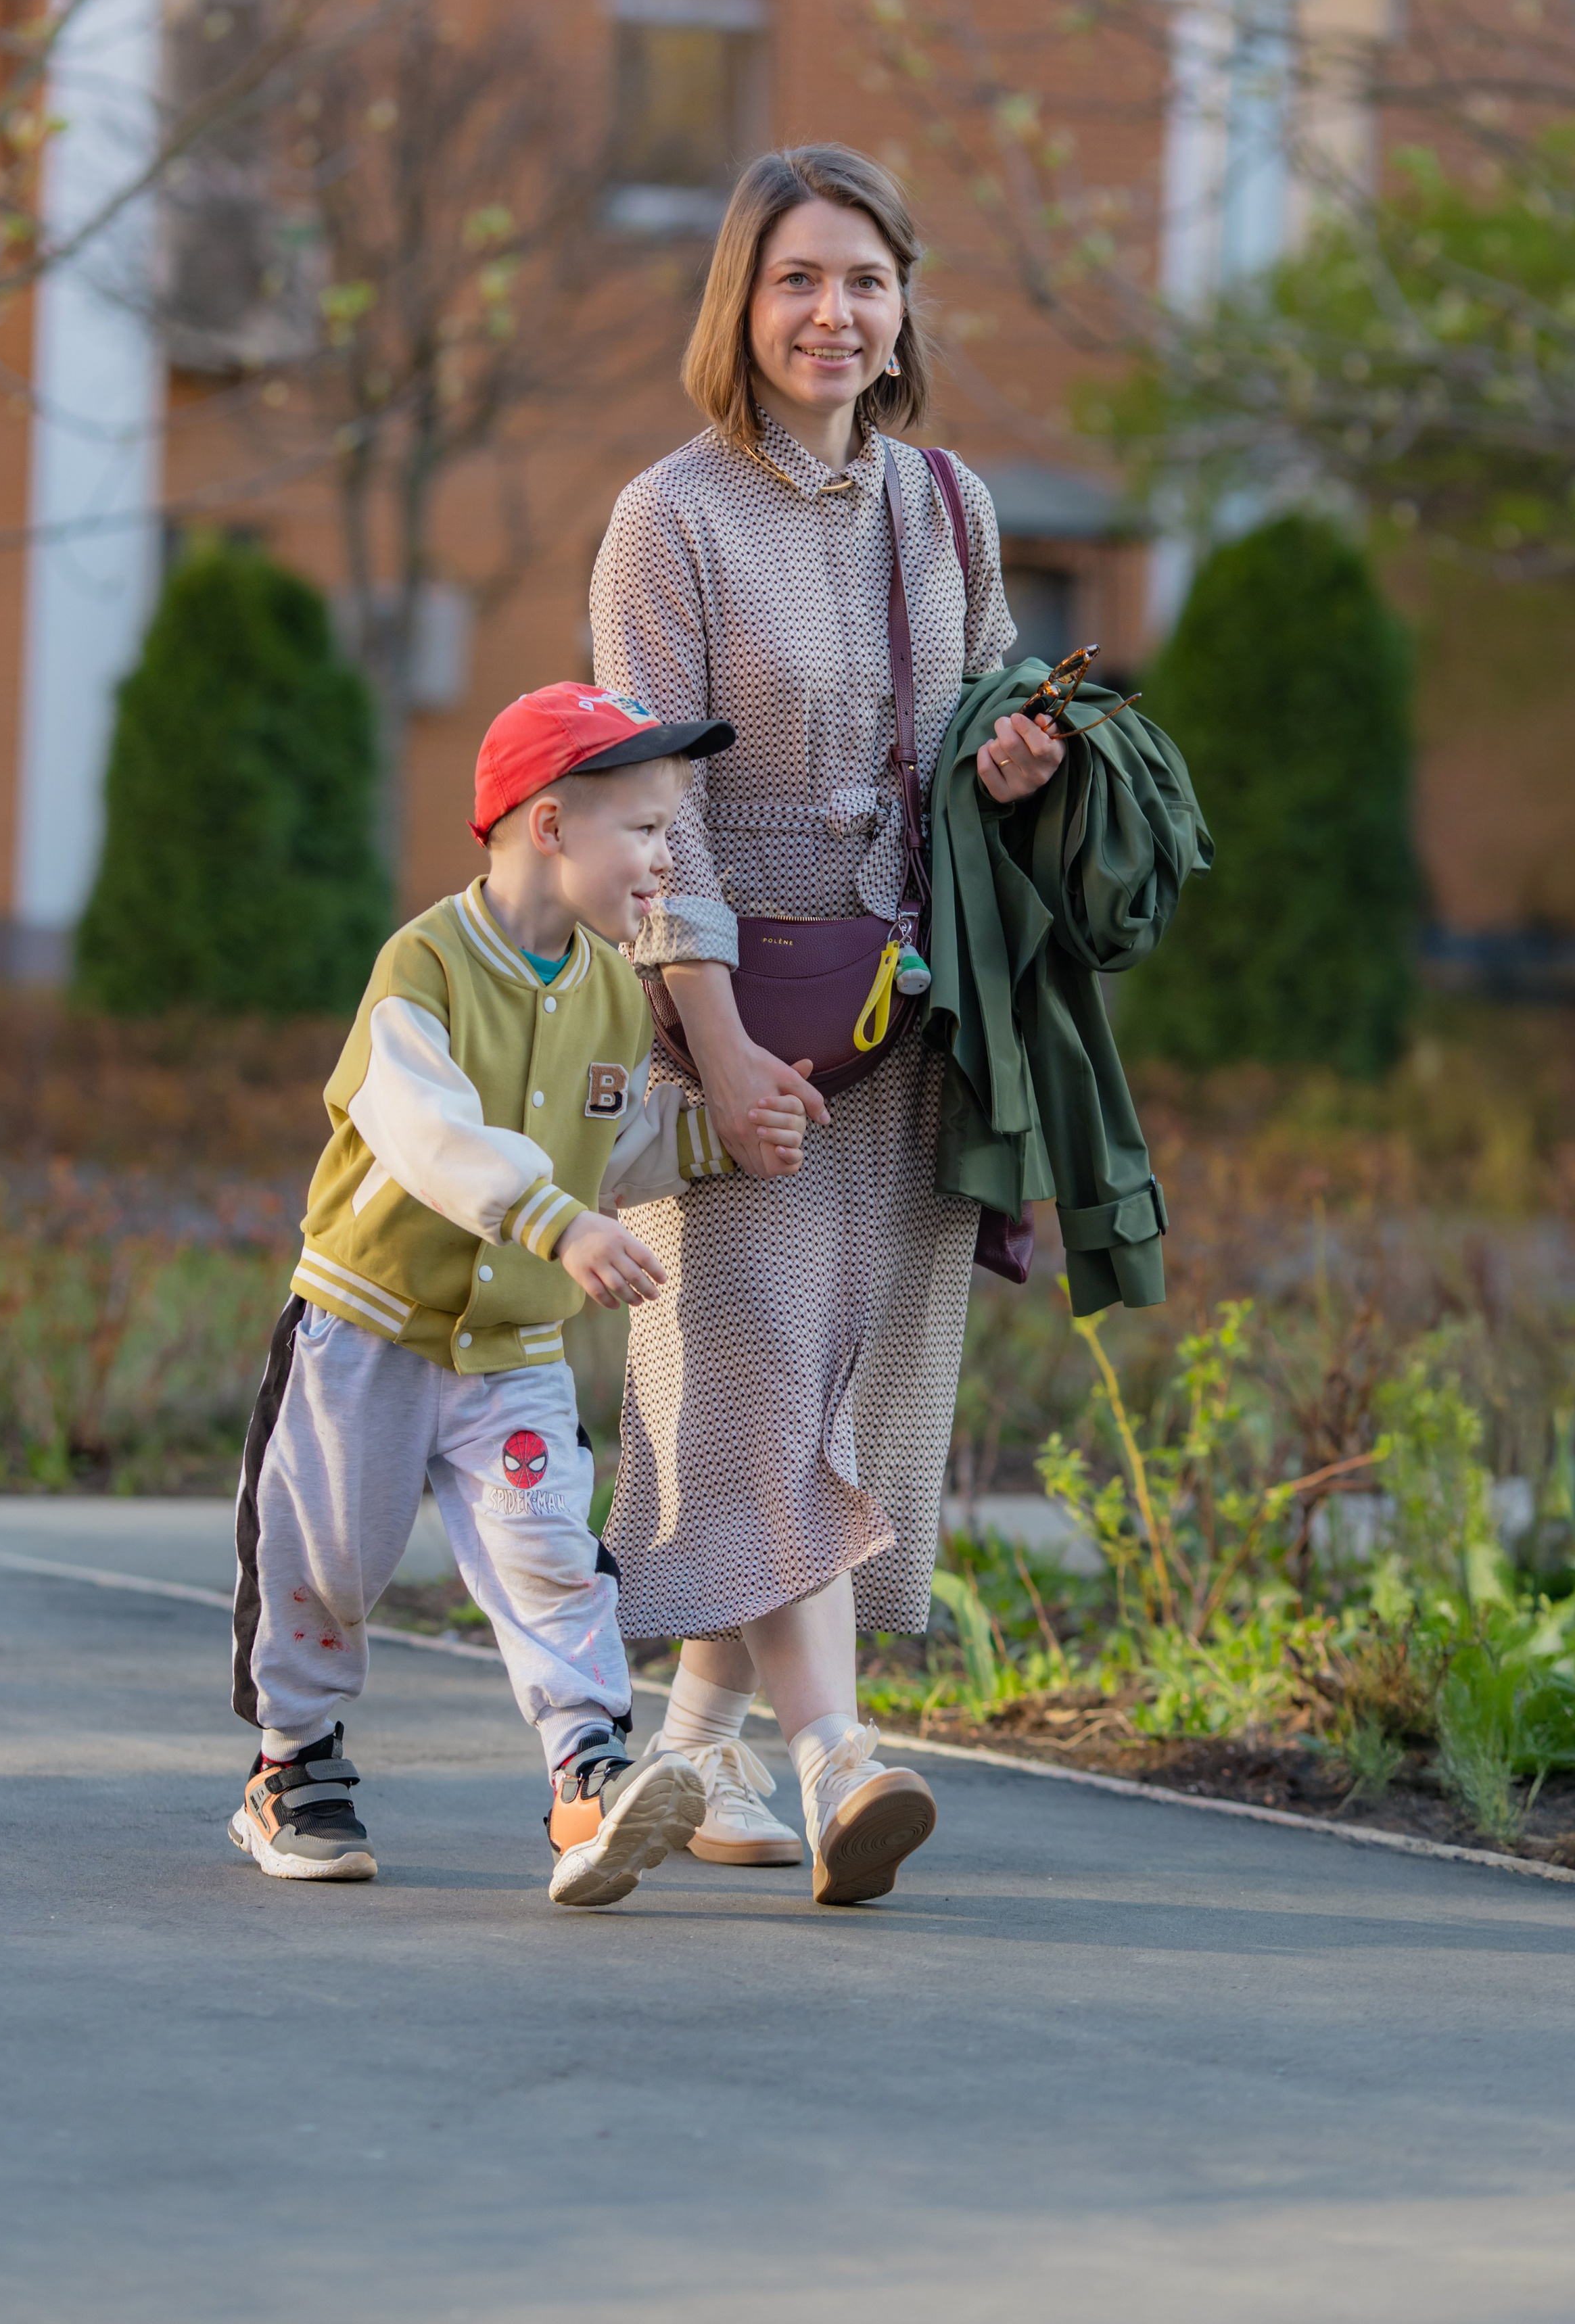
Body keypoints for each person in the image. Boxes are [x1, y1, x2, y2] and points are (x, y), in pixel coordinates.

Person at [590, 145, 1065, 1905]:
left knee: (849, 1396)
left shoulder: (948, 507)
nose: (834, 312)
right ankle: (838, 1764)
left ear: (904, 303)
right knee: (761, 1372)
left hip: (914, 1016)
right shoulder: (672, 519)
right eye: (798, 278)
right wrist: (710, 1047)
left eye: (864, 279)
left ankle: (685, 1756)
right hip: (749, 1014)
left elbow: (997, 715)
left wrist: (1018, 760)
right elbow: (650, 818)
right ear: (742, 299)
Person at [228, 681, 813, 1909]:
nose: (666, 860)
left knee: (553, 1560)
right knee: (326, 1561)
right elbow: (426, 1134)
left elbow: (615, 1134)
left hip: (513, 1353)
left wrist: (718, 1136)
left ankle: (587, 1777)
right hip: (366, 1332)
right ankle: (293, 1764)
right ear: (550, 827)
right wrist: (559, 1220)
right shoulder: (423, 967)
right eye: (646, 832)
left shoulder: (608, 986)